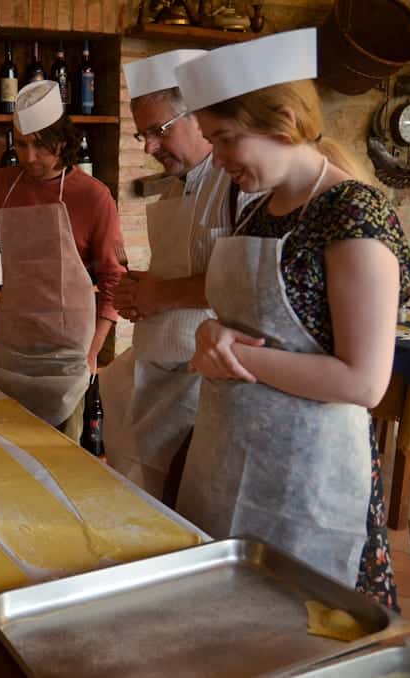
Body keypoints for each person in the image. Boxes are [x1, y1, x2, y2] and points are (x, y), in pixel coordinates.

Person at [173, 29, 410, 609]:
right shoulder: (259, 209)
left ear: (283, 118)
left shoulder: (354, 213)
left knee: (299, 634)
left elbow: (363, 381)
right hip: (229, 458)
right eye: (210, 140)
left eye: (226, 138)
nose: (218, 156)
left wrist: (235, 357)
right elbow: (236, 318)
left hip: (310, 483)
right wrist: (211, 333)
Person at [101, 50, 259, 502]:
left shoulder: (238, 183)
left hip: (202, 376)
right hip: (160, 363)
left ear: (199, 117)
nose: (148, 147)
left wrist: (162, 294)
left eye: (158, 130)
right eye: (142, 134)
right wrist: (144, 288)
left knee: (178, 498)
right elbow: (195, 266)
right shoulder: (181, 182)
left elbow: (248, 281)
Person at [0, 81, 124, 441]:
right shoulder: (3, 185)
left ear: (62, 142)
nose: (29, 157)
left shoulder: (93, 197)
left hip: (68, 355)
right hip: (11, 346)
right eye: (21, 144)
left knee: (61, 458)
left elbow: (114, 278)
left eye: (40, 145)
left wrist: (93, 351)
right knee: (5, 448)